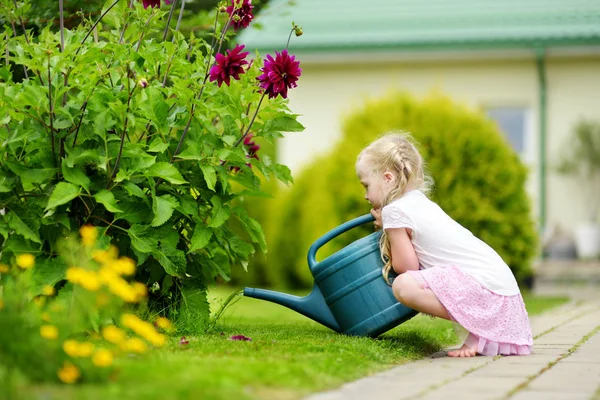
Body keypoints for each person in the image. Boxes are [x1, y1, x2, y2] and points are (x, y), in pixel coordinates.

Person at [355, 132, 533, 357]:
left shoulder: (394, 211)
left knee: (403, 286)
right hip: (500, 287)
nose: (365, 195)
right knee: (411, 284)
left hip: (486, 290)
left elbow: (406, 267)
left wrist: (388, 230)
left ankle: (478, 332)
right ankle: (480, 331)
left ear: (388, 178)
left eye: (366, 185)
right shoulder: (418, 201)